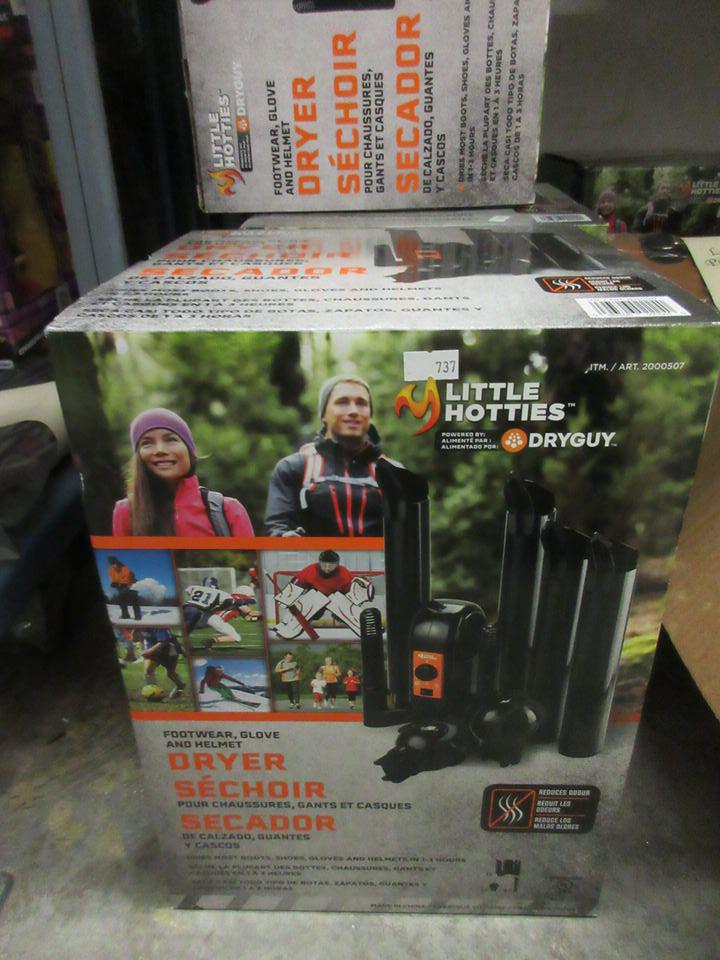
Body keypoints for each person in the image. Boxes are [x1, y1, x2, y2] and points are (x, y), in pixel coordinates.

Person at [265, 375, 393, 537]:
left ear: (370, 414)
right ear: (323, 415)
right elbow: (277, 531)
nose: (354, 411)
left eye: (361, 403)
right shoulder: (293, 468)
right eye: (342, 402)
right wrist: (285, 539)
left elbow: (412, 537)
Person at [112, 408, 254, 536]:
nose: (160, 450)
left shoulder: (228, 510)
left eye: (170, 440)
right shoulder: (125, 512)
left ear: (189, 451)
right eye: (147, 443)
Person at [183, 576, 243, 647]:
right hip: (205, 614)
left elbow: (188, 591)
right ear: (215, 585)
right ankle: (211, 641)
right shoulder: (222, 594)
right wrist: (217, 608)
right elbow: (229, 602)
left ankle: (182, 638)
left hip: (187, 608)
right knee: (236, 637)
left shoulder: (194, 587)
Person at [139, 628, 185, 700]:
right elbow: (138, 637)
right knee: (148, 670)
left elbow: (163, 642)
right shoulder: (139, 626)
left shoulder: (159, 627)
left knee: (171, 673)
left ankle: (180, 685)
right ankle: (153, 693)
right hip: (152, 650)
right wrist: (143, 649)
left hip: (169, 650)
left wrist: (149, 651)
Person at [107, 555, 142, 620]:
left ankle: (138, 617)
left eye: (115, 563)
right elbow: (114, 579)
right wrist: (114, 583)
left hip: (131, 585)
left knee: (134, 600)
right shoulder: (111, 570)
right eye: (112, 564)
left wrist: (123, 583)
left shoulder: (124, 568)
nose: (114, 565)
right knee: (121, 601)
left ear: (117, 562)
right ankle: (125, 616)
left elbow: (127, 578)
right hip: (121, 587)